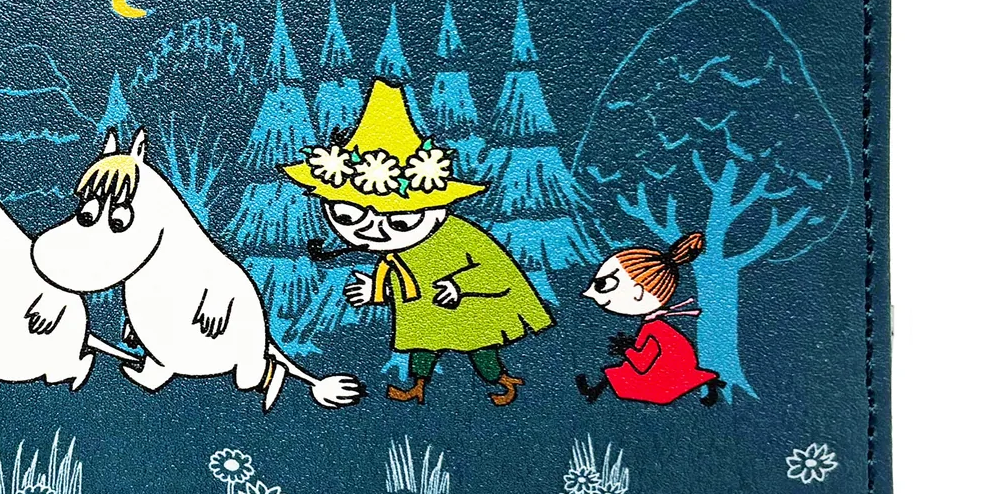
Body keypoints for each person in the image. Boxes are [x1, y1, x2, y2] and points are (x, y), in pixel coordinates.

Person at [282, 82, 551, 407]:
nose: (370, 232)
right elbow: (397, 273)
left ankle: (502, 380)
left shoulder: (461, 236)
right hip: (426, 309)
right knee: (423, 345)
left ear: (437, 210)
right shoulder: (398, 251)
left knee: (480, 346)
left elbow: (494, 270)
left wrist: (459, 285)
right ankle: (418, 386)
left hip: (470, 307)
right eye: (347, 216)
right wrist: (376, 291)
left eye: (398, 222)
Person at [574, 232, 725, 406]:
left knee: (621, 375)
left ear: (638, 293)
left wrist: (626, 349)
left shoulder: (653, 328)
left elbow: (642, 364)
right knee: (619, 372)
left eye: (602, 284)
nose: (589, 292)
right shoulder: (655, 325)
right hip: (671, 371)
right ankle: (594, 391)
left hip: (663, 380)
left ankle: (593, 391)